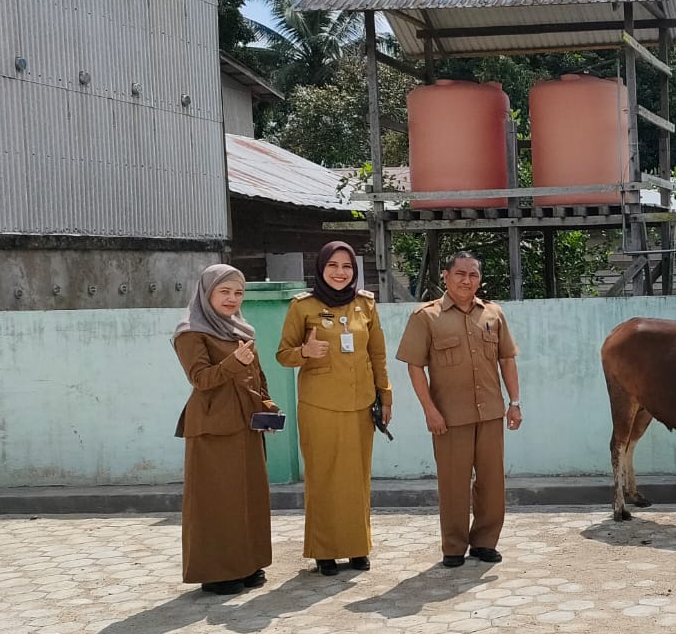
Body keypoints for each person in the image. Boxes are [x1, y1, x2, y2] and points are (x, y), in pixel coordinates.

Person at [396, 251, 522, 568]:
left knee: (492, 483)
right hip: (450, 418)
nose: (467, 280)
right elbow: (414, 367)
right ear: (446, 277)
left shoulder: (493, 314)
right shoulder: (426, 317)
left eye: (473, 275)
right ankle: (453, 546)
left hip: (491, 413)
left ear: (479, 279)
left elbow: (507, 359)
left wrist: (514, 403)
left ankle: (484, 542)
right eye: (460, 274)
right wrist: (429, 410)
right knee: (453, 482)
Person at [276, 241, 393, 576]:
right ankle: (324, 551)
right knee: (323, 477)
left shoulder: (366, 304)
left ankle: (358, 547)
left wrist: (385, 396)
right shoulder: (303, 306)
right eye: (333, 266)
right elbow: (283, 354)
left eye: (347, 267)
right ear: (321, 268)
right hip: (319, 405)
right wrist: (305, 352)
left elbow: (378, 354)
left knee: (357, 477)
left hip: (360, 403)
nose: (340, 273)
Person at [172, 265, 275, 595]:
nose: (232, 299)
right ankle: (216, 572)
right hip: (213, 428)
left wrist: (268, 408)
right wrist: (234, 362)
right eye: (224, 292)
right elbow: (201, 380)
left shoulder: (240, 329)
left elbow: (257, 376)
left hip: (246, 424)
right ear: (207, 293)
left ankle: (247, 563)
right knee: (217, 502)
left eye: (238, 292)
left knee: (249, 496)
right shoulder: (191, 333)